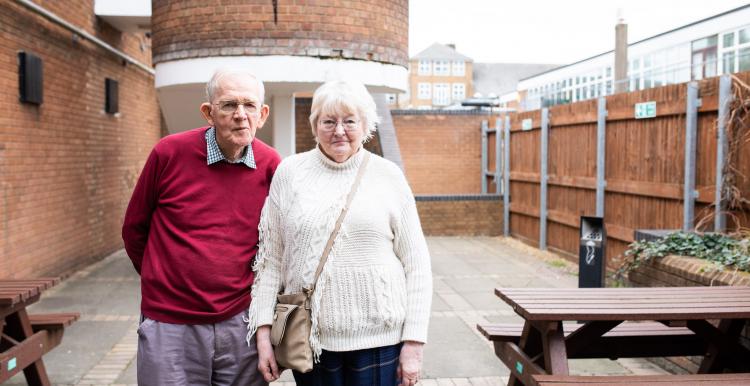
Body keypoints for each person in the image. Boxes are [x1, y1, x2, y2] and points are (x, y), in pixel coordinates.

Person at [247, 80, 432, 386]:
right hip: (310, 341)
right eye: (329, 121)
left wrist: (414, 343)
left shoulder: (388, 176)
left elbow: (417, 264)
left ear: (365, 124)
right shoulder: (290, 173)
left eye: (349, 121)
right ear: (315, 124)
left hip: (380, 341)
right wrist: (263, 331)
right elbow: (270, 260)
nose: (339, 131)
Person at [122, 68, 280, 386]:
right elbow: (134, 228)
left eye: (249, 106)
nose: (240, 115)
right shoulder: (168, 153)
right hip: (169, 322)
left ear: (262, 115)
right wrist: (163, 278)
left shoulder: (272, 165)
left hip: (241, 322)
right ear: (208, 112)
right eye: (228, 105)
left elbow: (279, 243)